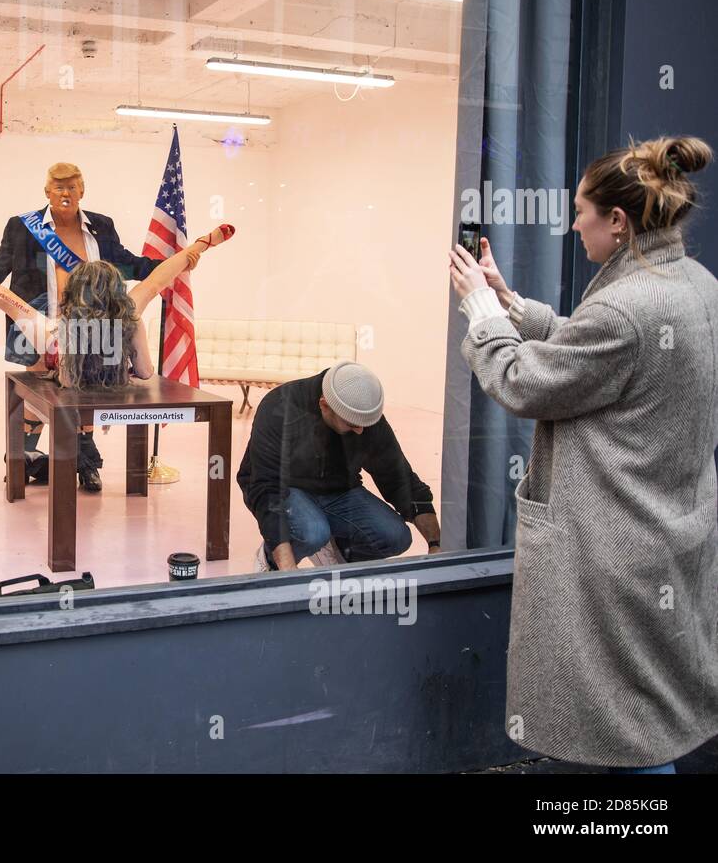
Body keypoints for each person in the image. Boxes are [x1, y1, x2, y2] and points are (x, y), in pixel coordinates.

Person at [449, 135, 718, 773]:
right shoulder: (695, 283)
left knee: (626, 730)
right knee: (647, 712)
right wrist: (509, 299)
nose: (572, 225)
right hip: (667, 532)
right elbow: (597, 354)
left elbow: (522, 380)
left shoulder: (626, 306)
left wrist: (480, 310)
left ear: (619, 222)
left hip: (614, 542)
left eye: (582, 212)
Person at [0, 162, 184, 491]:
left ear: (83, 191)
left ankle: (86, 464)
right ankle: (24, 458)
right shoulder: (23, 227)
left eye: (73, 186)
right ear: (47, 192)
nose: (66, 193)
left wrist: (168, 267)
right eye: (59, 187)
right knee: (38, 396)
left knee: (86, 395)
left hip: (90, 328)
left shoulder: (102, 226)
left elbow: (127, 263)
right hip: (40, 325)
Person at [0, 222, 232, 388]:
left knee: (9, 305)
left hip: (66, 393)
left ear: (74, 290)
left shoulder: (51, 328)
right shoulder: (128, 315)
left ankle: (31, 459)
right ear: (116, 289)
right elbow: (158, 281)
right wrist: (199, 246)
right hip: (112, 396)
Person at [237, 361, 441, 572]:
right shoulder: (280, 408)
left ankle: (341, 553)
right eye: (352, 425)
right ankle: (269, 560)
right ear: (325, 406)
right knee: (312, 532)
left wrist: (436, 544)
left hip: (339, 489)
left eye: (366, 425)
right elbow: (266, 489)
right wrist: (286, 567)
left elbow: (399, 478)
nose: (361, 432)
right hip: (287, 487)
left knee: (396, 536)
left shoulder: (362, 415)